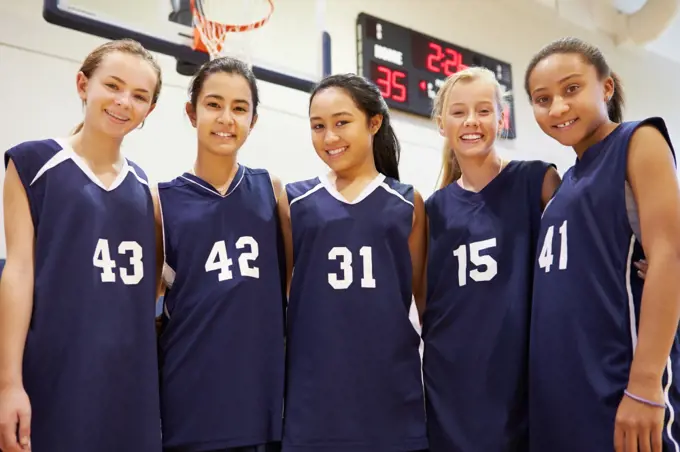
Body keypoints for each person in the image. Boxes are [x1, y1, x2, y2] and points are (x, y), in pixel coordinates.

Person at [0, 39, 163, 452]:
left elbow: (154, 284)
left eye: (140, 95)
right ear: (82, 84)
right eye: (113, 85)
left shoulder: (146, 187)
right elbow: (18, 273)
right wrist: (9, 384)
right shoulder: (34, 164)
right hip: (55, 374)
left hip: (131, 383)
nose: (124, 101)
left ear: (150, 110)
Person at [526, 36, 680, 452]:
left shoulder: (638, 140)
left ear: (606, 88)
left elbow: (670, 256)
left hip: (622, 391)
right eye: (542, 99)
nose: (557, 107)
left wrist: (646, 384)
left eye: (571, 89)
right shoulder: (563, 185)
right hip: (561, 400)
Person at [277, 74, 428, 452]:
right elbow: (284, 291)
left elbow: (419, 300)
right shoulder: (295, 201)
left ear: (373, 123)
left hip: (389, 393)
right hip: (315, 396)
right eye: (318, 126)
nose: (330, 137)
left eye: (341, 122)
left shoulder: (409, 203)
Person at [421, 66, 560, 452]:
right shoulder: (431, 211)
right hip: (452, 385)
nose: (471, 122)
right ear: (441, 123)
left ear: (501, 118)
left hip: (523, 377)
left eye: (484, 110)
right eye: (459, 112)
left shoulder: (538, 181)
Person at [155, 57, 286, 452]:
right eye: (213, 104)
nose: (226, 118)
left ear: (254, 120)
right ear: (191, 112)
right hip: (190, 396)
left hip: (259, 400)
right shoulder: (161, 200)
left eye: (239, 108)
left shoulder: (272, 190)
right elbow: (154, 299)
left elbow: (291, 286)